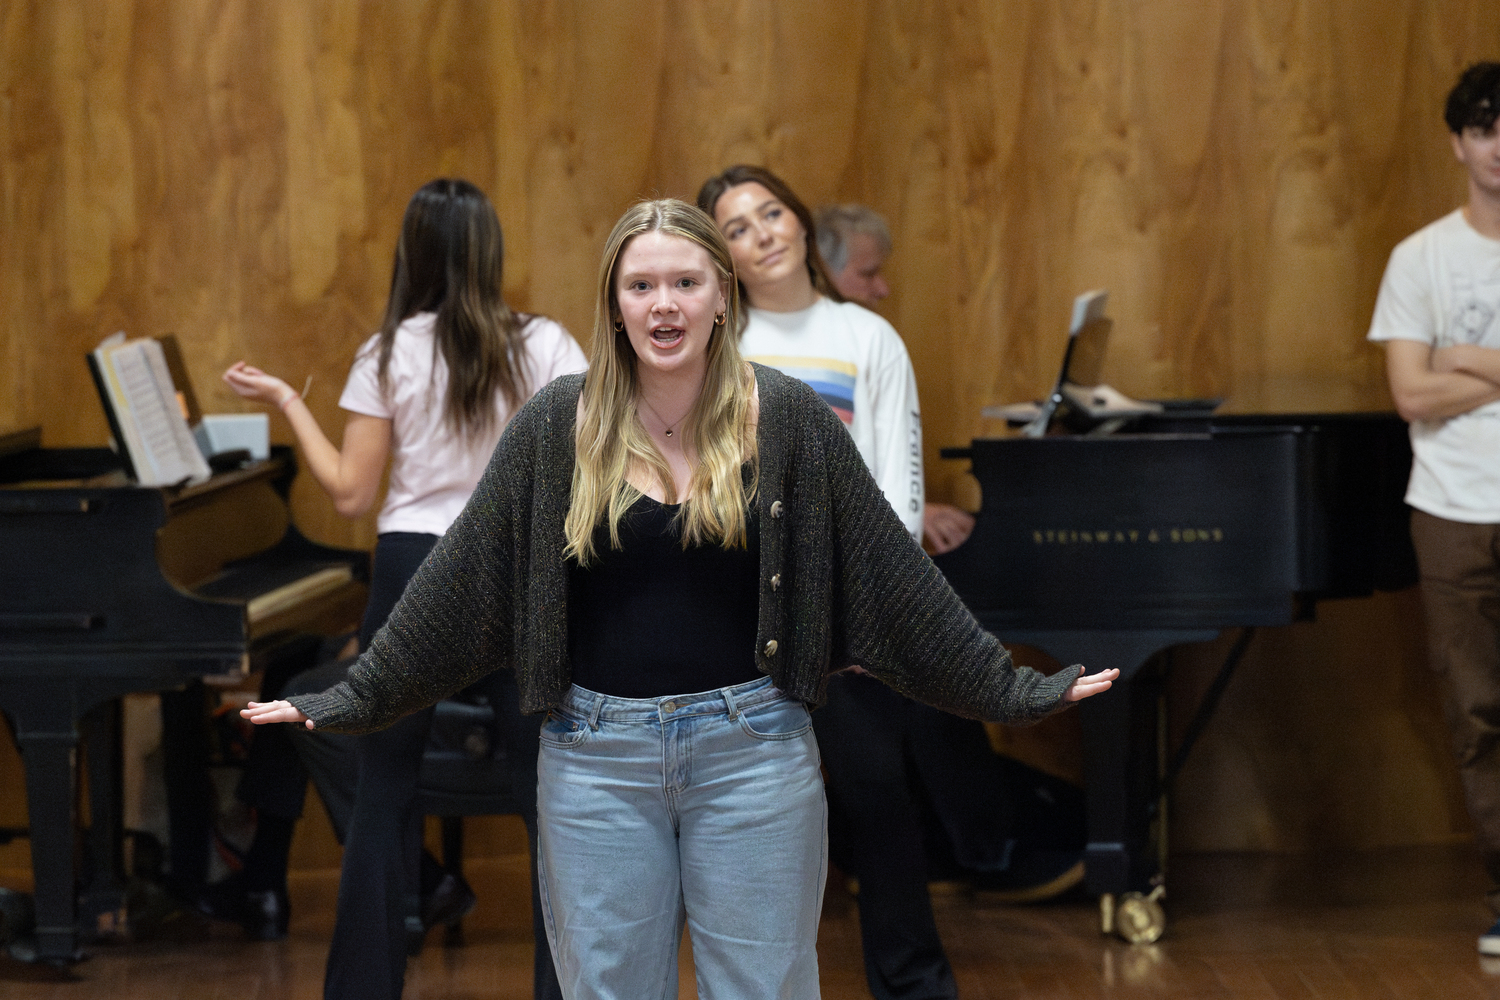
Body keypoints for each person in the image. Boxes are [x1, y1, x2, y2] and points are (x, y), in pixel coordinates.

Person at [241, 197, 1118, 1000]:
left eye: (686, 283)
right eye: (643, 284)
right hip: (593, 764)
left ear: (721, 298)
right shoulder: (557, 424)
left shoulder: (791, 420)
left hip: (757, 754)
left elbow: (891, 571)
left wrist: (1012, 688)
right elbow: (457, 580)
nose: (665, 304)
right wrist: (346, 699)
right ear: (615, 303)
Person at [699, 171, 1081, 1000]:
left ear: (799, 222)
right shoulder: (717, 348)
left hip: (846, 616)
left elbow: (898, 494)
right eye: (736, 226)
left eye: (771, 212)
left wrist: (871, 615)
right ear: (721, 254)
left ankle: (915, 986)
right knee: (748, 830)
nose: (761, 232)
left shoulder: (865, 336)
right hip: (743, 620)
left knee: (877, 807)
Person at [223, 178, 584, 999]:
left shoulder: (388, 352)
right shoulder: (549, 345)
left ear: (411, 251)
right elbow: (581, 467)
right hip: (516, 561)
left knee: (384, 791)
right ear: (491, 249)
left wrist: (288, 400)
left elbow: (351, 494)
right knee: (549, 800)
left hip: (413, 568)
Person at [1367, 61, 1500, 956]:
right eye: (1485, 128)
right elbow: (1411, 396)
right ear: (1458, 143)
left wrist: (1471, 359)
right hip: (1452, 509)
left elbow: (1439, 377)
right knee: (1478, 713)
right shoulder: (1420, 257)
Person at [815, 202, 975, 554]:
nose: (883, 289)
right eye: (868, 274)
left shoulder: (875, 339)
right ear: (825, 269)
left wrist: (912, 516)